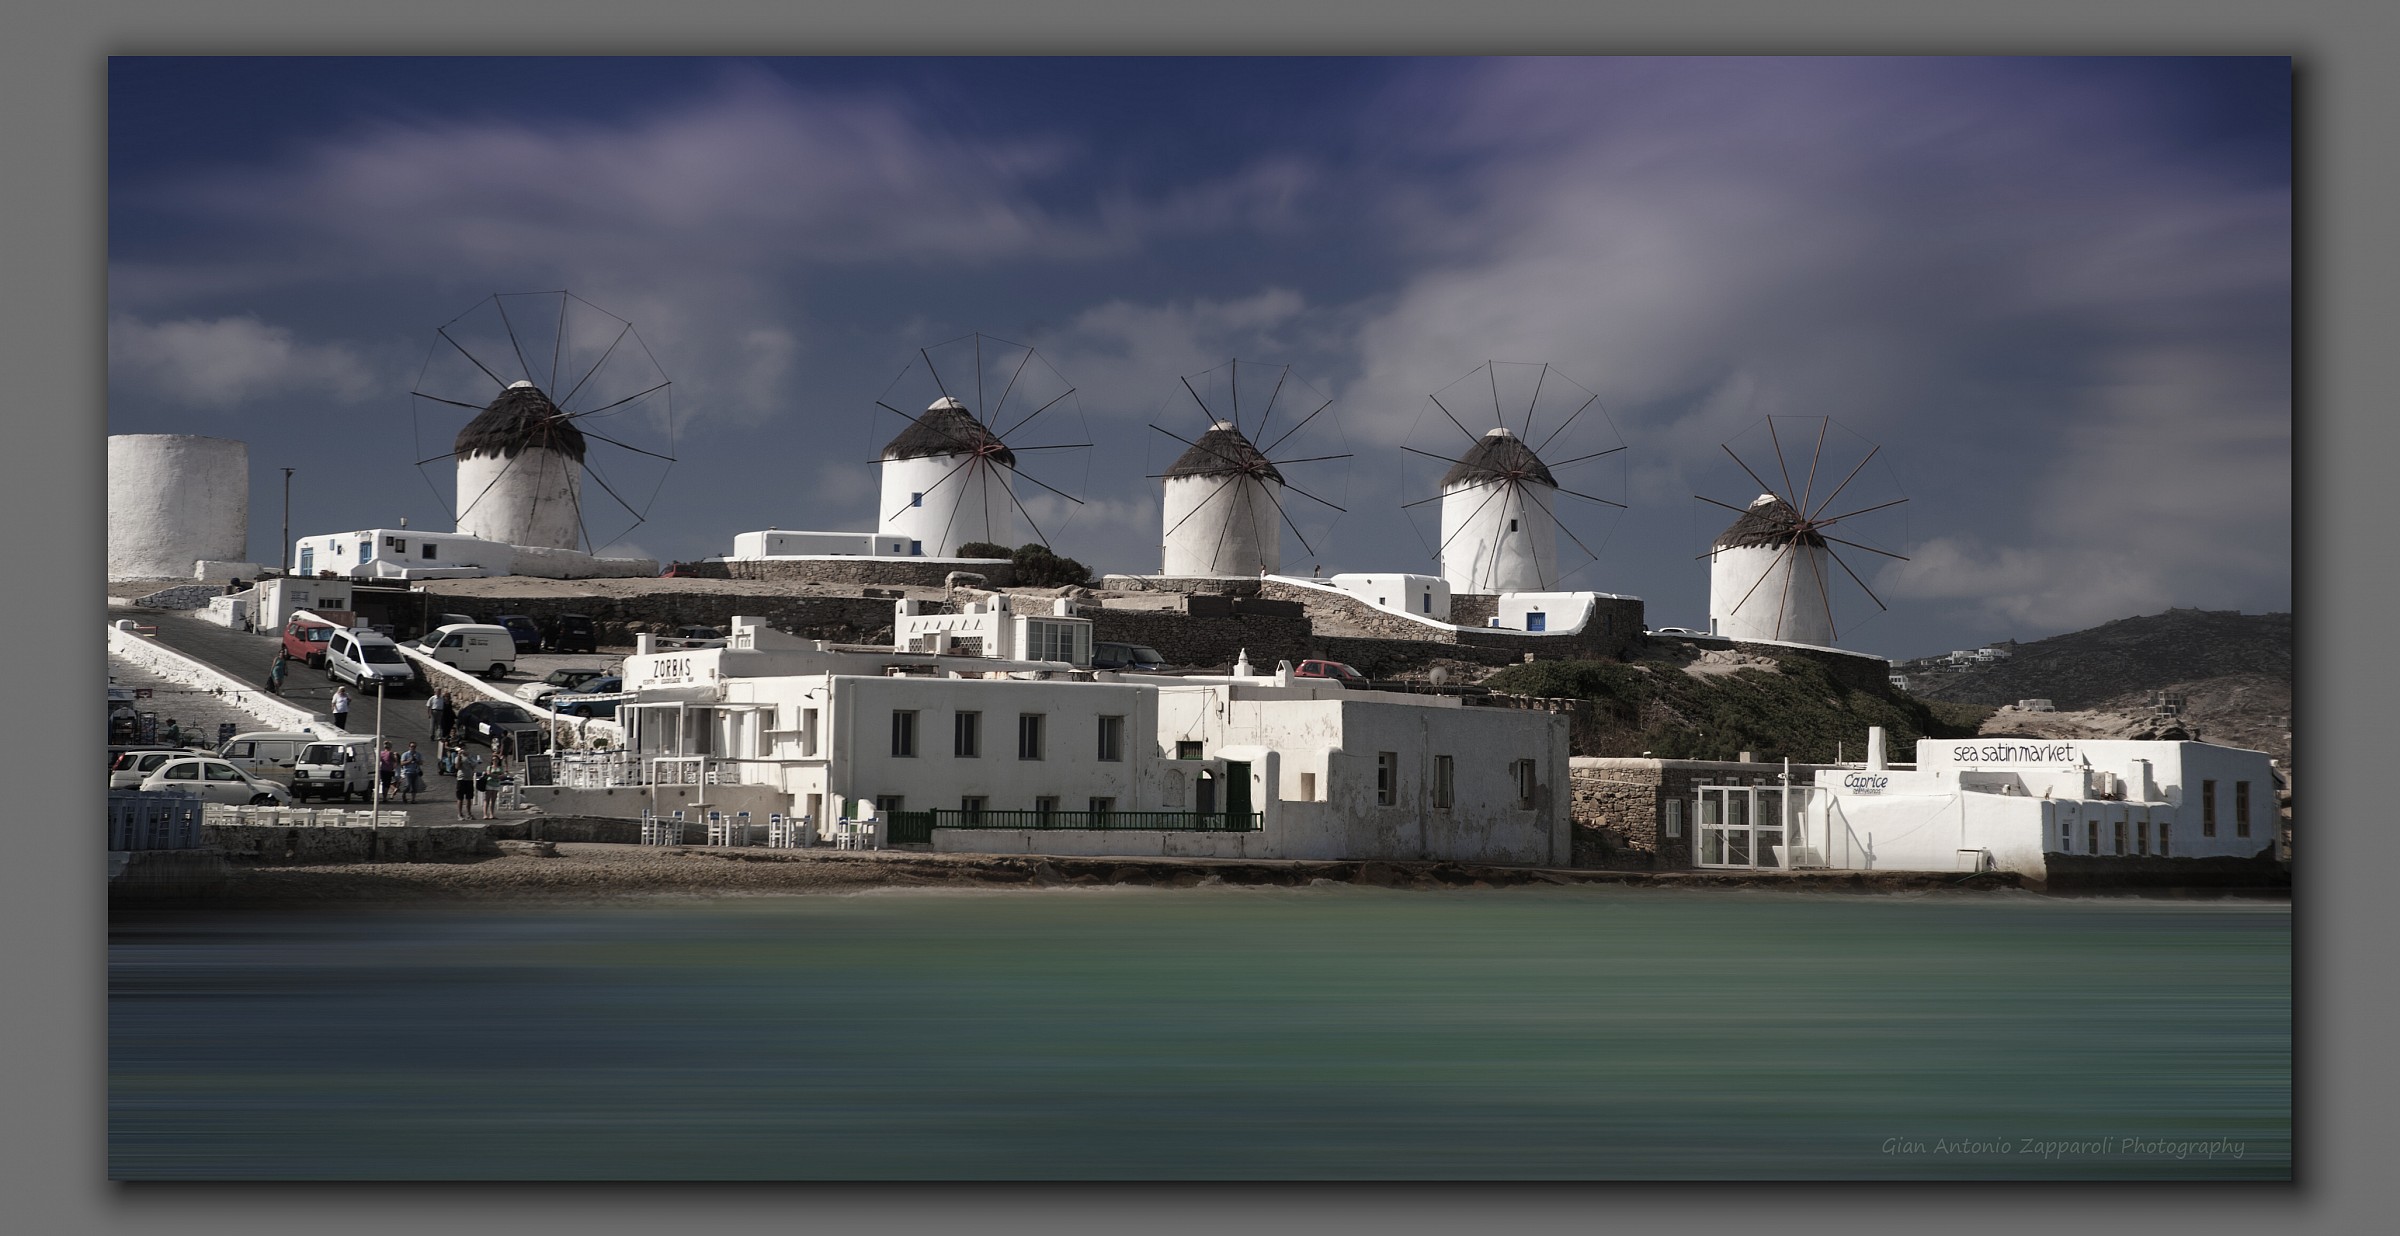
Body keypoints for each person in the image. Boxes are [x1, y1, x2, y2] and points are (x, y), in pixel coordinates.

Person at [452, 746, 477, 820]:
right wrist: (459, 756)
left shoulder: (470, 757)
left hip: (469, 779)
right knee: (460, 797)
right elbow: (457, 767)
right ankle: (460, 814)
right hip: (461, 779)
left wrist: (468, 757)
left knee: (469, 798)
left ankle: (469, 813)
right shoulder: (458, 757)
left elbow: (474, 765)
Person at [479, 754, 504, 819]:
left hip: (496, 784)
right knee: (487, 799)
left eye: (496, 759)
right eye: (493, 760)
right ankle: (485, 814)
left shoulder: (500, 767)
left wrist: (495, 776)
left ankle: (492, 814)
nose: (494, 761)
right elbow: (489, 774)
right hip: (489, 783)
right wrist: (497, 776)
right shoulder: (489, 767)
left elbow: (502, 775)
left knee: (493, 800)